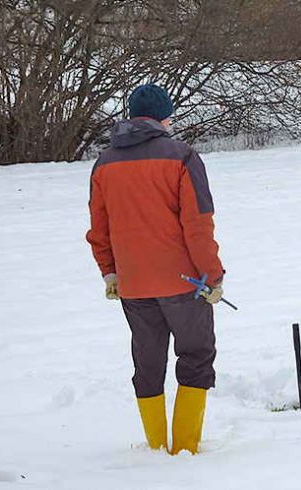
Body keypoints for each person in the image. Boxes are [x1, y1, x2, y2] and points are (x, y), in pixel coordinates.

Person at [86, 83, 224, 454]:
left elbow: (100, 228)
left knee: (147, 360)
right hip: (184, 282)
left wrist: (109, 272)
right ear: (165, 117)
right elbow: (198, 224)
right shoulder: (183, 157)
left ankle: (155, 443)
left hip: (132, 283)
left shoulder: (104, 163)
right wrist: (213, 276)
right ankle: (185, 446)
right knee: (195, 355)